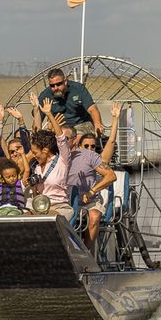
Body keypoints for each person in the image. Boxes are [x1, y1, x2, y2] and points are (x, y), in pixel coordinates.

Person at [67, 102, 121, 253]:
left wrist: (115, 119)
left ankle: (87, 253)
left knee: (94, 215)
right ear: (78, 144)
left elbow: (110, 142)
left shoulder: (96, 159)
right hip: (71, 199)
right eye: (87, 146)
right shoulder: (68, 156)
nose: (91, 149)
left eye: (93, 147)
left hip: (90, 200)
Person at [29, 98, 73, 217]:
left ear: (45, 150)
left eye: (35, 152)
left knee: (47, 218)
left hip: (59, 207)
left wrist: (49, 114)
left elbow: (61, 139)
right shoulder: (36, 166)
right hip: (40, 207)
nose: (33, 156)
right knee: (23, 218)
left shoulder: (62, 161)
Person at [37, 68, 104, 136]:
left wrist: (97, 124)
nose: (56, 88)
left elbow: (92, 109)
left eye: (59, 84)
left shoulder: (78, 88)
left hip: (82, 125)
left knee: (77, 138)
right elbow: (37, 119)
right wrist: (35, 108)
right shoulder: (45, 95)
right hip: (59, 127)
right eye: (52, 85)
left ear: (65, 81)